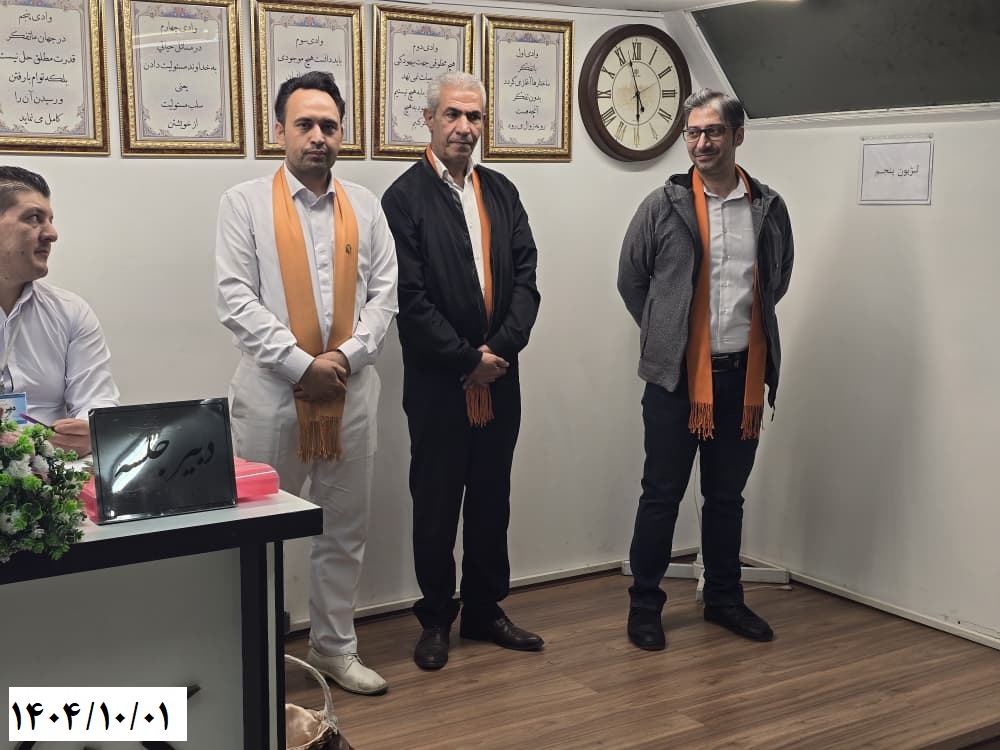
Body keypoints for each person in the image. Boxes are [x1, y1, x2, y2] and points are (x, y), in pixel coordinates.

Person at [215, 72, 397, 695]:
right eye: (305, 124)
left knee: (344, 529)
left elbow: (384, 297)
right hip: (270, 398)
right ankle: (255, 653)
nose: (318, 136)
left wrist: (342, 358)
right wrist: (301, 364)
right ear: (279, 131)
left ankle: (334, 647)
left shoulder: (366, 205)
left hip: (351, 395)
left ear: (341, 133)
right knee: (257, 534)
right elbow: (235, 299)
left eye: (329, 125)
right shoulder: (244, 203)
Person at [617, 89, 794, 651]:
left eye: (713, 131)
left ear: (737, 135)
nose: (701, 142)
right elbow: (632, 279)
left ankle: (724, 599)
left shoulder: (768, 208)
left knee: (725, 498)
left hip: (741, 377)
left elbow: (777, 279)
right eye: (693, 132)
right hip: (674, 381)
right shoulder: (661, 206)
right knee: (660, 495)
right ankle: (645, 606)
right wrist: (667, 332)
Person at [382, 71, 543, 671]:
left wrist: (498, 352)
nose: (464, 127)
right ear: (428, 119)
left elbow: (526, 281)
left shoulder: (501, 191)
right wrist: (467, 359)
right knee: (436, 501)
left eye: (474, 117)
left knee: (492, 498)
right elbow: (409, 299)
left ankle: (484, 610)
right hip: (438, 384)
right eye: (452, 114)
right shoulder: (403, 199)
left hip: (500, 378)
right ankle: (435, 619)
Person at [0, 166, 119, 455]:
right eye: (34, 218)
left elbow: (97, 402)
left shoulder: (70, 311)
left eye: (50, 221)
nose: (52, 234)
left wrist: (91, 430)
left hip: (55, 467)